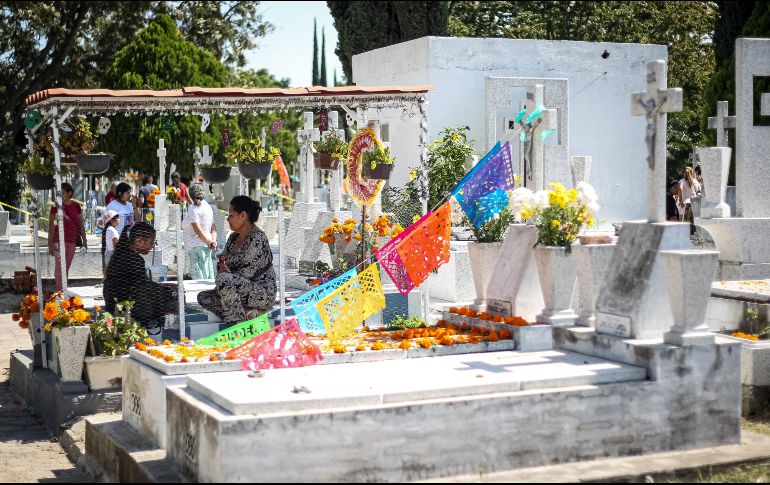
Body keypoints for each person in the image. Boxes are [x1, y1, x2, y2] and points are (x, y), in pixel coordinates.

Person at [197, 196, 276, 325]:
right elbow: (223, 261)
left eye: (231, 215)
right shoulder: (233, 238)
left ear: (243, 215)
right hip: (236, 287)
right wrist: (222, 267)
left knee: (224, 280)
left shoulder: (257, 239)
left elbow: (247, 273)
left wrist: (226, 274)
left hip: (261, 293)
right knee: (204, 297)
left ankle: (238, 322)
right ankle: (248, 314)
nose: (228, 219)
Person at [103, 222, 176, 330]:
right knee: (170, 296)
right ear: (139, 241)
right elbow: (143, 287)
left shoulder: (120, 254)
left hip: (112, 305)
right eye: (151, 242)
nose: (152, 246)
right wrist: (166, 291)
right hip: (125, 308)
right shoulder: (134, 259)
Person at [48, 182, 86, 291]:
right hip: (58, 241)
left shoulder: (76, 206)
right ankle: (61, 292)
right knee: (59, 268)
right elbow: (51, 227)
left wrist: (85, 241)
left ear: (70, 193)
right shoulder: (55, 207)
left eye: (62, 193)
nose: (60, 196)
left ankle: (63, 290)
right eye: (58, 193)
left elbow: (81, 225)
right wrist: (50, 245)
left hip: (72, 241)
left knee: (66, 268)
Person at [183, 184, 217, 280]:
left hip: (195, 247)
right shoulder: (208, 206)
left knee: (198, 280)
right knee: (207, 276)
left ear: (190, 195)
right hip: (206, 245)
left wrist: (209, 241)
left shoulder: (193, 208)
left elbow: (197, 229)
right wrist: (212, 240)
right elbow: (213, 227)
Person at [679, 166, 701, 236]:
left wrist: (680, 200)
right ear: (692, 173)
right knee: (693, 221)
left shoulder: (682, 181)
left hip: (684, 202)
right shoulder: (695, 181)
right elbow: (699, 191)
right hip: (693, 203)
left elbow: (680, 188)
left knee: (682, 221)